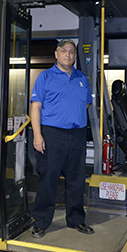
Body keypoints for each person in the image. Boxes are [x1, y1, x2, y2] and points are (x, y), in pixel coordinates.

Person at [30, 39, 94, 238]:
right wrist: (38, 134)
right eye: (64, 51)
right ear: (56, 54)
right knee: (48, 178)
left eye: (72, 52)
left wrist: (73, 119)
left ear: (75, 56)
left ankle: (76, 219)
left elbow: (86, 105)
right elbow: (36, 107)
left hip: (77, 135)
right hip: (52, 134)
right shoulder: (45, 77)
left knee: (76, 180)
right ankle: (41, 222)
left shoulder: (82, 77)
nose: (68, 54)